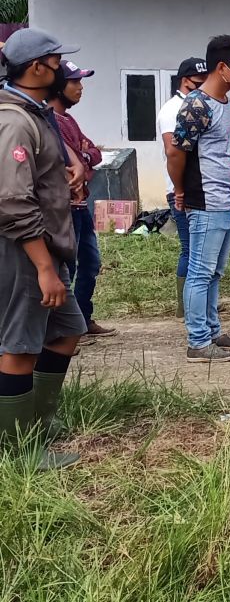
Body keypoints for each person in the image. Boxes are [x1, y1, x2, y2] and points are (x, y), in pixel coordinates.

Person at [0, 27, 88, 469]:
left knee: (68, 328)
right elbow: (13, 203)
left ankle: (38, 419)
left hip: (47, 248)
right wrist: (44, 269)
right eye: (56, 62)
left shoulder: (34, 112)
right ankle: (20, 451)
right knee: (20, 345)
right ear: (36, 68)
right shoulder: (14, 120)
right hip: (24, 250)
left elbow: (47, 150)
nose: (62, 69)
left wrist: (69, 164)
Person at [167, 35, 230, 363]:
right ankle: (198, 341)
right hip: (205, 201)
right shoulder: (197, 105)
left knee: (214, 272)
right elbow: (176, 151)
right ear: (222, 68)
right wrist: (180, 190)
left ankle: (213, 331)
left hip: (224, 200)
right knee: (200, 272)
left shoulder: (223, 105)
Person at [49, 60, 115, 337]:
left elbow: (94, 155)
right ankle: (63, 330)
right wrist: (84, 154)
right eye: (74, 81)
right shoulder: (50, 121)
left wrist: (84, 155)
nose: (80, 87)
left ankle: (83, 320)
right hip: (64, 208)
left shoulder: (68, 119)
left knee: (90, 264)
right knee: (68, 269)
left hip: (81, 206)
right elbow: (70, 166)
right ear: (57, 86)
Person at [157, 57, 208, 316]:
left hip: (192, 188)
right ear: (184, 80)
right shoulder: (172, 109)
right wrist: (179, 190)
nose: (200, 88)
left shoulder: (195, 104)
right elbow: (172, 150)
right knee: (191, 250)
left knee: (198, 250)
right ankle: (186, 306)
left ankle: (193, 303)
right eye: (196, 84)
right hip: (180, 190)